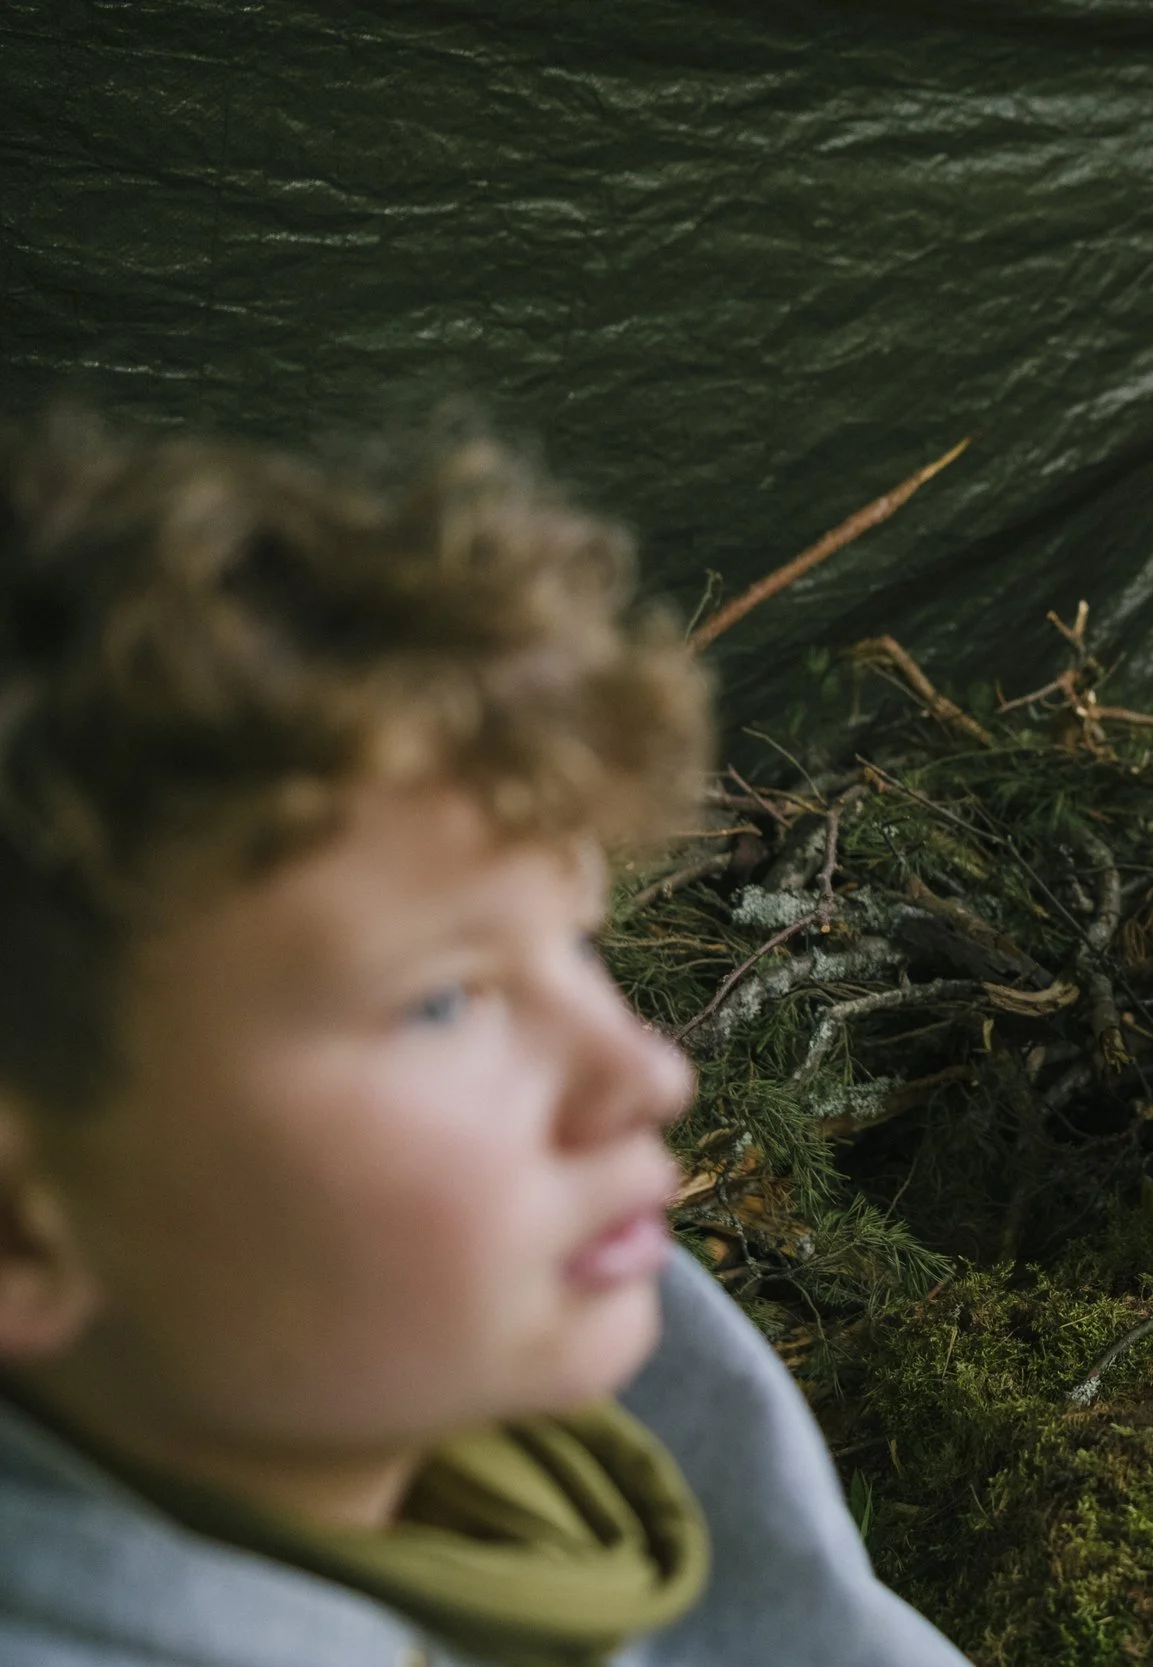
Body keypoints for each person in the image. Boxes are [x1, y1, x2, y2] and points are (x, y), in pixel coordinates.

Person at [0, 415, 973, 1666]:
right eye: (445, 1000)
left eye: (575, 940)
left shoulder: (579, 1356)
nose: (648, 1069)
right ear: (25, 1224)